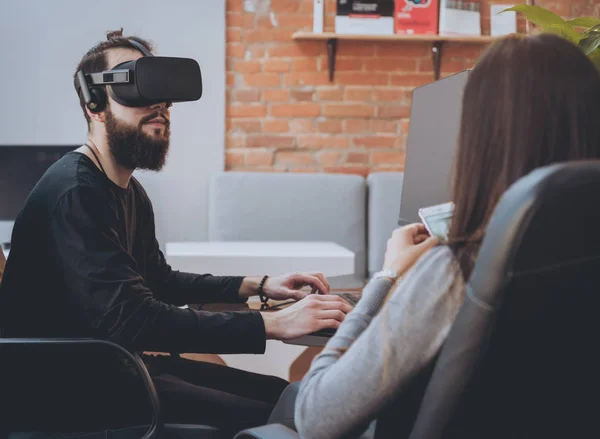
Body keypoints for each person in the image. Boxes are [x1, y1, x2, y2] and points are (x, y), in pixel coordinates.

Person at [0, 29, 352, 434]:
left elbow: (156, 280)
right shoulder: (74, 193)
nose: (160, 105)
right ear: (94, 104)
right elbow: (134, 320)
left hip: (115, 368)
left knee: (287, 396)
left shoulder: (128, 190)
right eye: (135, 88)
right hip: (66, 390)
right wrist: (276, 324)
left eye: (162, 93)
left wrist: (259, 286)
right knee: (287, 419)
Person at [294, 33, 600, 439]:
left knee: (290, 394)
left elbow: (315, 417)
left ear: (481, 136)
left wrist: (386, 278)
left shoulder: (459, 269)